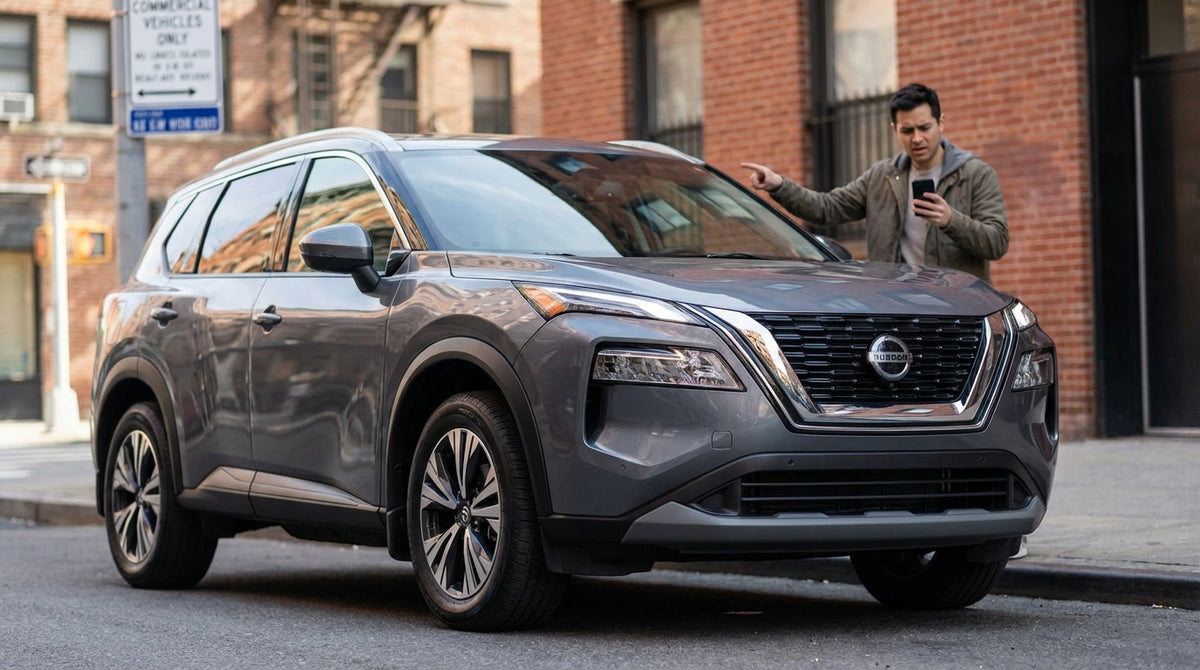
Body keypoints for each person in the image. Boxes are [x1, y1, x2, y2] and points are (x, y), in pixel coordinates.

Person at [741, 82, 1008, 284]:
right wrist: (779, 185)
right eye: (907, 130)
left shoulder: (975, 174)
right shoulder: (881, 176)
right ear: (894, 129)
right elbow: (826, 208)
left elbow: (997, 242)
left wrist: (951, 220)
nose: (917, 138)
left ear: (940, 123)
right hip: (896, 302)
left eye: (924, 128)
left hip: (957, 306)